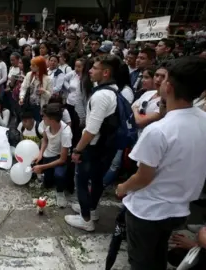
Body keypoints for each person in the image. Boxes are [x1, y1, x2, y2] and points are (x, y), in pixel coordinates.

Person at [116, 56, 206, 270]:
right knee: (157, 255)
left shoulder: (158, 130)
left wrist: (123, 187)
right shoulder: (203, 120)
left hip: (148, 211)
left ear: (169, 86)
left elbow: (143, 177)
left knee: (142, 261)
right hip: (178, 209)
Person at [66, 55, 122, 232]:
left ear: (105, 72)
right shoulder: (114, 90)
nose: (89, 70)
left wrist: (77, 150)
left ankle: (86, 219)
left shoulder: (101, 96)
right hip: (107, 147)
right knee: (97, 179)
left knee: (82, 180)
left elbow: (91, 130)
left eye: (94, 68)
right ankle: (92, 209)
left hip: (94, 147)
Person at [33, 104, 72, 207]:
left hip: (60, 158)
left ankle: (60, 192)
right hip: (48, 155)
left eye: (44, 116)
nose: (42, 118)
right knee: (48, 184)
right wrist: (40, 154)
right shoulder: (46, 124)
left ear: (52, 120)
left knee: (59, 175)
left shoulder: (65, 132)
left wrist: (41, 167)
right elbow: (45, 140)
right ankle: (48, 176)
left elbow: (63, 159)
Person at [19, 56, 52, 122]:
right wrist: (22, 97)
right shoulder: (29, 75)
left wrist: (44, 92)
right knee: (27, 123)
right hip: (28, 105)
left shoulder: (48, 79)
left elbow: (50, 96)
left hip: (39, 107)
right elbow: (23, 87)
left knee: (38, 125)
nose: (30, 66)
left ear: (39, 67)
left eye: (33, 65)